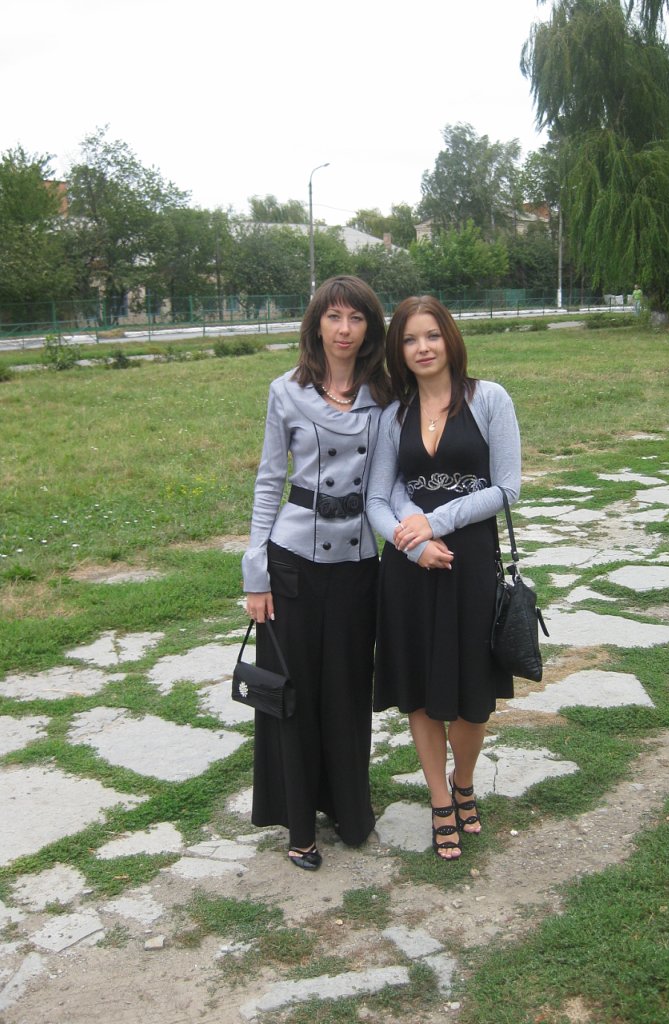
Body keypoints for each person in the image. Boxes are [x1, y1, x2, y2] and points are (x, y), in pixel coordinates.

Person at [242, 275, 392, 871]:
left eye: (356, 318)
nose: (344, 330)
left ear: (369, 328)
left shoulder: (387, 396)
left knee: (349, 691)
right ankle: (299, 825)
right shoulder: (286, 391)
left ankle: (349, 810)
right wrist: (256, 572)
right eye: (334, 317)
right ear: (317, 325)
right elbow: (269, 481)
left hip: (357, 564)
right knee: (295, 695)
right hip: (293, 562)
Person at [366, 296, 521, 861]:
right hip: (410, 573)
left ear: (450, 338)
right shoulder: (394, 415)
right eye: (409, 339)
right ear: (398, 351)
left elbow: (507, 488)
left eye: (431, 335)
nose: (423, 348)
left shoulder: (490, 399)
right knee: (421, 688)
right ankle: (439, 798)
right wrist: (413, 547)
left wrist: (437, 522)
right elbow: (377, 499)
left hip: (470, 564)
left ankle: (464, 781)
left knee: (472, 694)